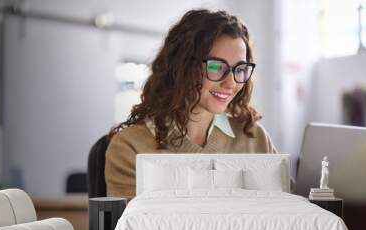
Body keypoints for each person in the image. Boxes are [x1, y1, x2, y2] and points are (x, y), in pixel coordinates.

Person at [105, 9, 277, 200]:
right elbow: (132, 228)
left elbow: (288, 217)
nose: (231, 83)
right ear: (182, 67)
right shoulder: (130, 147)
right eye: (216, 67)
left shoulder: (255, 138)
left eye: (240, 69)